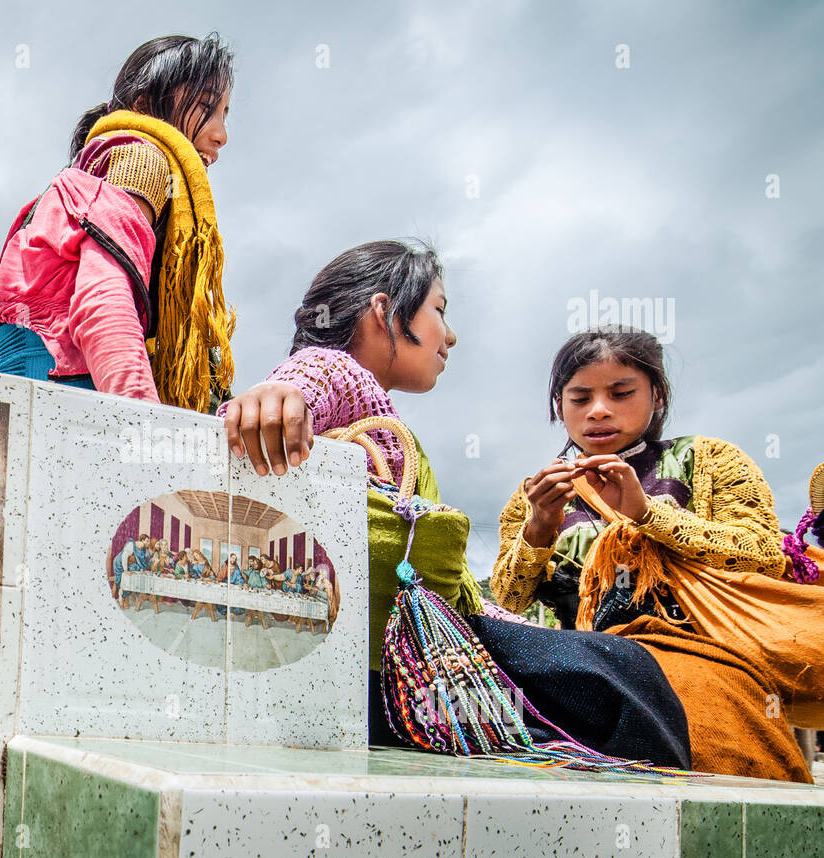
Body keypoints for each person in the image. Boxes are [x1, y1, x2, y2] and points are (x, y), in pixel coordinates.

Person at [219, 240, 691, 768]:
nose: (451, 334)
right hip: (402, 665)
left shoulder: (703, 460)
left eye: (621, 393)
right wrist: (274, 396)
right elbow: (312, 377)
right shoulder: (342, 373)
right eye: (439, 310)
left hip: (390, 656)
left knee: (617, 671)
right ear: (383, 312)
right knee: (626, 678)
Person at [491, 329, 821, 782]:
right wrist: (538, 529)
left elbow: (762, 554)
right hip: (572, 681)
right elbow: (508, 601)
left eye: (621, 392)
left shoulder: (709, 460)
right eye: (579, 397)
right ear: (559, 407)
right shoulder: (535, 494)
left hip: (705, 671)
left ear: (657, 395)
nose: (599, 410)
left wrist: (649, 516)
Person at [0, 34, 235, 413]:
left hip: (27, 394)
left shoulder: (89, 172)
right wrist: (147, 429)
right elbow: (102, 302)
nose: (220, 134)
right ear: (144, 103)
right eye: (205, 108)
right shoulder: (143, 161)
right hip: (64, 397)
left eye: (224, 114)